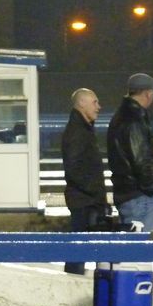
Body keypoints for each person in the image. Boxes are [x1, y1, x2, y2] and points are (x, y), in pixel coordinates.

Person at [107, 73, 153, 232]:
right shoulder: (134, 118)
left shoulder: (122, 115)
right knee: (140, 253)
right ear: (148, 93)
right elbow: (140, 160)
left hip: (130, 194)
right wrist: (151, 188)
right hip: (139, 196)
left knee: (134, 251)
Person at [61, 88, 107, 274]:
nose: (99, 107)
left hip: (86, 199)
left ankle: (74, 278)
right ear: (82, 103)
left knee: (79, 249)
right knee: (78, 250)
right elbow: (74, 168)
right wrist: (95, 191)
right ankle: (72, 282)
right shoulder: (78, 131)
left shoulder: (82, 128)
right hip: (85, 201)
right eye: (95, 102)